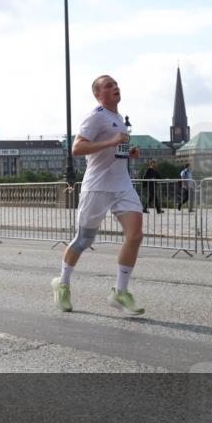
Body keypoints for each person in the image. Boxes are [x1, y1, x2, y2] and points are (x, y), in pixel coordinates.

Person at [51, 74, 146, 317]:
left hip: (122, 185)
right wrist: (112, 141)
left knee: (135, 235)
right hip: (98, 186)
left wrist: (128, 152)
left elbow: (114, 150)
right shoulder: (95, 116)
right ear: (97, 94)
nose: (115, 87)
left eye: (116, 84)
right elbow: (77, 148)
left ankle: (120, 292)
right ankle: (62, 283)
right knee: (84, 240)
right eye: (108, 85)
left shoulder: (118, 119)